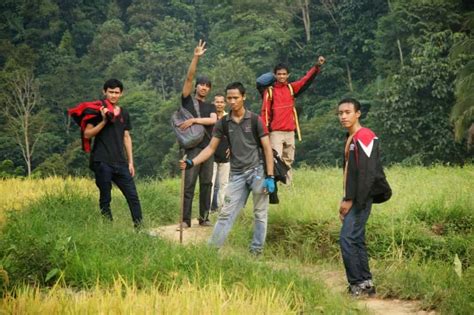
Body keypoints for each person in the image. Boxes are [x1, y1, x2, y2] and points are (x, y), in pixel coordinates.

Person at [180, 82, 275, 255]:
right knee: (225, 213)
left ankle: (256, 251)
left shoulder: (255, 120)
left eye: (236, 98)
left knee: (260, 213)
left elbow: (267, 148)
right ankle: (211, 250)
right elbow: (210, 148)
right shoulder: (223, 123)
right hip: (237, 174)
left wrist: (270, 176)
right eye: (229, 98)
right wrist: (192, 162)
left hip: (258, 171)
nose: (232, 101)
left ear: (243, 97)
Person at [337, 97, 384, 297]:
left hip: (360, 198)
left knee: (346, 239)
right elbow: (352, 172)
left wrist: (351, 200)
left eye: (347, 112)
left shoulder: (364, 135)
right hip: (356, 197)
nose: (343, 116)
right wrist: (346, 197)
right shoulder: (352, 137)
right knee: (356, 239)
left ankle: (356, 285)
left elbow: (366, 172)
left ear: (358, 113)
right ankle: (366, 283)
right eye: (340, 113)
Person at [83, 78, 142, 228]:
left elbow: (126, 137)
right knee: (105, 197)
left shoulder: (124, 113)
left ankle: (139, 228)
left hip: (120, 162)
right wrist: (103, 121)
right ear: (104, 92)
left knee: (133, 196)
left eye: (116, 92)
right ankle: (108, 229)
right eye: (110, 92)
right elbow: (87, 134)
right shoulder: (96, 110)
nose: (113, 95)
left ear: (121, 93)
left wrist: (130, 162)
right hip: (102, 160)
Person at [260, 55, 325, 183]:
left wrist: (317, 66)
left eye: (284, 74)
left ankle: (288, 186)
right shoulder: (270, 91)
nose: (282, 76)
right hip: (276, 132)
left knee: (288, 160)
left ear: (288, 75)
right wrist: (265, 132)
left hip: (290, 131)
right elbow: (265, 113)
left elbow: (305, 80)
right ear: (275, 75)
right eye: (279, 74)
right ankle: (274, 185)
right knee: (275, 159)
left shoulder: (291, 88)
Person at [178, 40, 217, 229]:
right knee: (189, 185)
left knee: (207, 183)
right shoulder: (187, 102)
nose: (203, 87)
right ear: (197, 87)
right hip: (191, 149)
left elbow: (213, 120)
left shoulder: (211, 106)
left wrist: (194, 121)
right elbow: (188, 78)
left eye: (207, 86)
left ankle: (204, 218)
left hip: (208, 149)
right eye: (201, 84)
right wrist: (196, 57)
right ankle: (185, 220)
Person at [210, 93, 230, 213]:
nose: (219, 104)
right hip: (211, 154)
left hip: (225, 154)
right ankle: (207, 210)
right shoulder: (210, 117)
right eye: (217, 102)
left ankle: (222, 209)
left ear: (225, 104)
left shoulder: (229, 117)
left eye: (222, 102)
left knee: (224, 184)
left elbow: (233, 134)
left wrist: (232, 147)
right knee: (210, 183)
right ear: (213, 103)